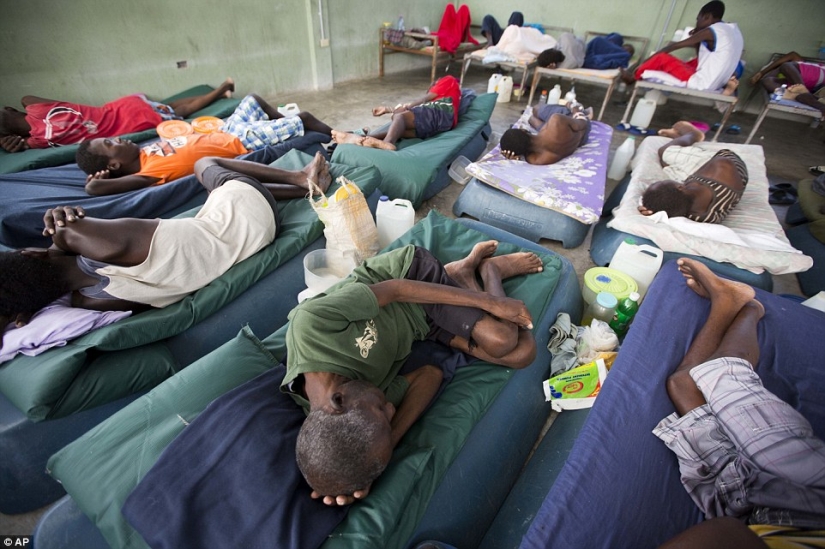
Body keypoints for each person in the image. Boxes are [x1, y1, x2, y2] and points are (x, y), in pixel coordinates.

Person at [286, 241, 543, 505]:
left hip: (410, 279)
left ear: (338, 401)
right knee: (522, 354)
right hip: (423, 326)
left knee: (501, 339)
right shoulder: (350, 418)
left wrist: (492, 303)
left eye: (381, 410)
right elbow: (430, 375)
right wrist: (384, 446)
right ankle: (463, 275)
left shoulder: (310, 327)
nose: (391, 409)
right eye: (389, 419)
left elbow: (397, 290)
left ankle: (492, 271)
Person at [0, 152, 332, 336]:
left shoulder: (92, 303)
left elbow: (57, 269)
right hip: (245, 214)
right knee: (205, 164)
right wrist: (60, 228)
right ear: (29, 251)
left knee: (212, 198)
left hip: (249, 236)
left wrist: (21, 306)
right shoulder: (81, 238)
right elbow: (70, 235)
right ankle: (299, 179)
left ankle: (304, 187)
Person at [654, 258, 825, 548]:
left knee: (682, 385)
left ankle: (735, 302)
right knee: (724, 377)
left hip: (763, 514)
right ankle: (747, 307)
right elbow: (724, 535)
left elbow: (728, 530)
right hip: (815, 503)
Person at [76, 94, 334, 195]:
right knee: (304, 118)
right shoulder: (147, 173)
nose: (118, 138)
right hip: (242, 142)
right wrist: (98, 183)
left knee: (253, 99)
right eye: (110, 143)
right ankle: (338, 137)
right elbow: (97, 190)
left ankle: (282, 126)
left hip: (227, 129)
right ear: (114, 163)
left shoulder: (145, 150)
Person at [0, 79, 235, 153]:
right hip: (119, 109)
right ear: (11, 110)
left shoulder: (38, 140)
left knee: (177, 111)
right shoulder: (36, 108)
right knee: (169, 106)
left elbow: (26, 143)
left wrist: (19, 141)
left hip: (125, 124)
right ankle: (221, 91)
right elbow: (26, 98)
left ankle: (220, 91)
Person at [619, 1, 743, 93]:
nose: (697, 23)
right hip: (718, 82)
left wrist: (640, 66)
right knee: (693, 61)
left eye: (698, 19)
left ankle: (632, 78)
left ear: (707, 17)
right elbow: (703, 57)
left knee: (661, 58)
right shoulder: (732, 30)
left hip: (702, 84)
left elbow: (671, 47)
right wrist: (697, 38)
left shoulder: (709, 32)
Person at [639, 121, 747, 224]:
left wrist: (654, 211)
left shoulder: (693, 214)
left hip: (707, 170)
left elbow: (665, 211)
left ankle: (687, 137)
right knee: (665, 154)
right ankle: (692, 135)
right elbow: (721, 161)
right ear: (681, 187)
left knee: (665, 159)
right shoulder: (722, 168)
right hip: (722, 166)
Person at [331, 76, 461, 152]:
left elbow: (423, 100)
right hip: (439, 123)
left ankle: (388, 143)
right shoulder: (435, 108)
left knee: (399, 117)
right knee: (400, 129)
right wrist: (388, 109)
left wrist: (398, 111)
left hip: (442, 113)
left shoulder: (448, 80)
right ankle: (359, 138)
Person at [499, 101, 593, 165]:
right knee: (536, 109)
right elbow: (582, 124)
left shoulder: (536, 159)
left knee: (531, 119)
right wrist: (575, 109)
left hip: (580, 141)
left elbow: (524, 150)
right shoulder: (556, 121)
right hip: (581, 128)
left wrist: (514, 156)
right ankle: (581, 109)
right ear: (523, 131)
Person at [749, 52, 825, 119]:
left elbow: (793, 55)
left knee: (786, 66)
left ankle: (802, 89)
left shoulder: (801, 66)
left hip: (815, 75)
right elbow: (767, 79)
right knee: (767, 82)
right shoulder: (779, 76)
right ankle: (799, 94)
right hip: (800, 87)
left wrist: (762, 72)